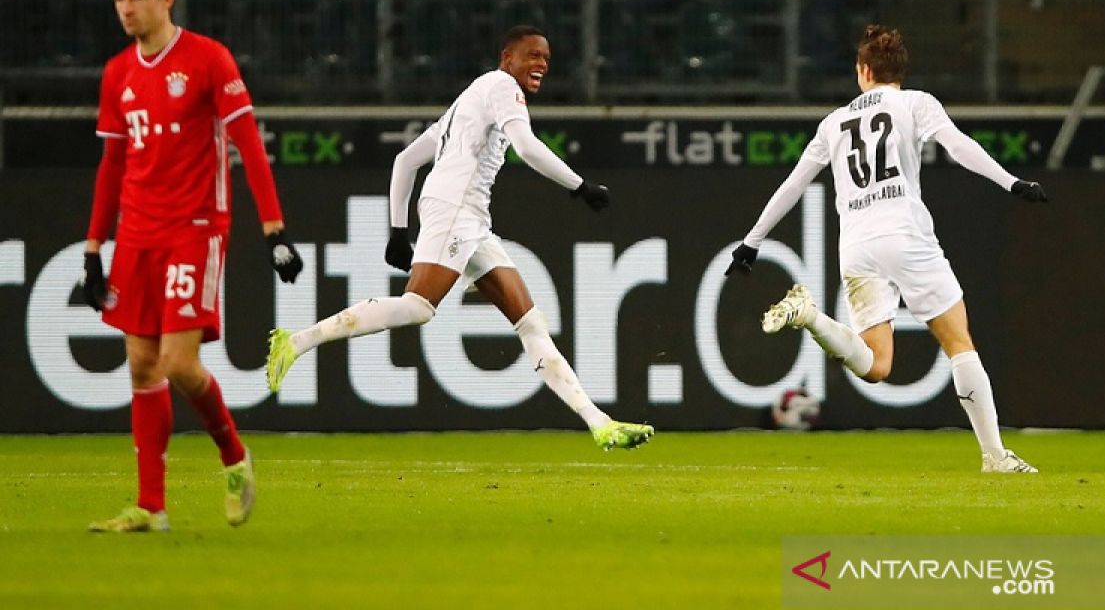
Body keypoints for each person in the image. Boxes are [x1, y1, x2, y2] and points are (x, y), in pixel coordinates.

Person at [265, 26, 653, 451]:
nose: (541, 63)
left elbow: (406, 159)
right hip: (454, 210)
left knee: (530, 324)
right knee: (418, 308)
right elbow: (526, 147)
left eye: (546, 57)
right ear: (507, 58)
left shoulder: (467, 103)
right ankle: (297, 342)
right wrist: (580, 187)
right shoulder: (502, 86)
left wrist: (398, 229)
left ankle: (599, 423)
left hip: (468, 217)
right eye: (532, 55)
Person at [726, 25, 1046, 473]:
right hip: (905, 234)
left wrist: (752, 241)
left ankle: (812, 317)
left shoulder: (833, 122)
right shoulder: (916, 102)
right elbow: (958, 146)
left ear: (863, 71)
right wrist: (1011, 181)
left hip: (856, 246)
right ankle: (994, 455)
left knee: (876, 366)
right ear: (899, 70)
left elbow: (795, 183)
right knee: (959, 343)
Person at [82, 0, 304, 532]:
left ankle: (233, 455)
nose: (126, 9)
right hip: (136, 231)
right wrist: (92, 247)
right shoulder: (118, 73)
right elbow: (111, 163)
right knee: (139, 364)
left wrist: (274, 228)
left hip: (195, 227)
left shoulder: (207, 59)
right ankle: (151, 507)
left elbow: (249, 144)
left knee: (179, 363)